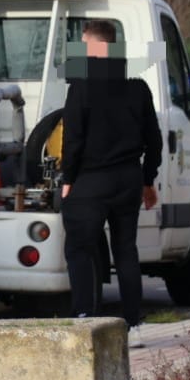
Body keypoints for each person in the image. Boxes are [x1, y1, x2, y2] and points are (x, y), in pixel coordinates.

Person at [59, 20, 162, 326]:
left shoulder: (81, 84)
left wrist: (68, 179)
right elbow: (153, 138)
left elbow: (73, 138)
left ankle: (84, 318)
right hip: (128, 178)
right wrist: (147, 179)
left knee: (79, 249)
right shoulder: (137, 85)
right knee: (126, 251)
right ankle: (133, 323)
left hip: (91, 180)